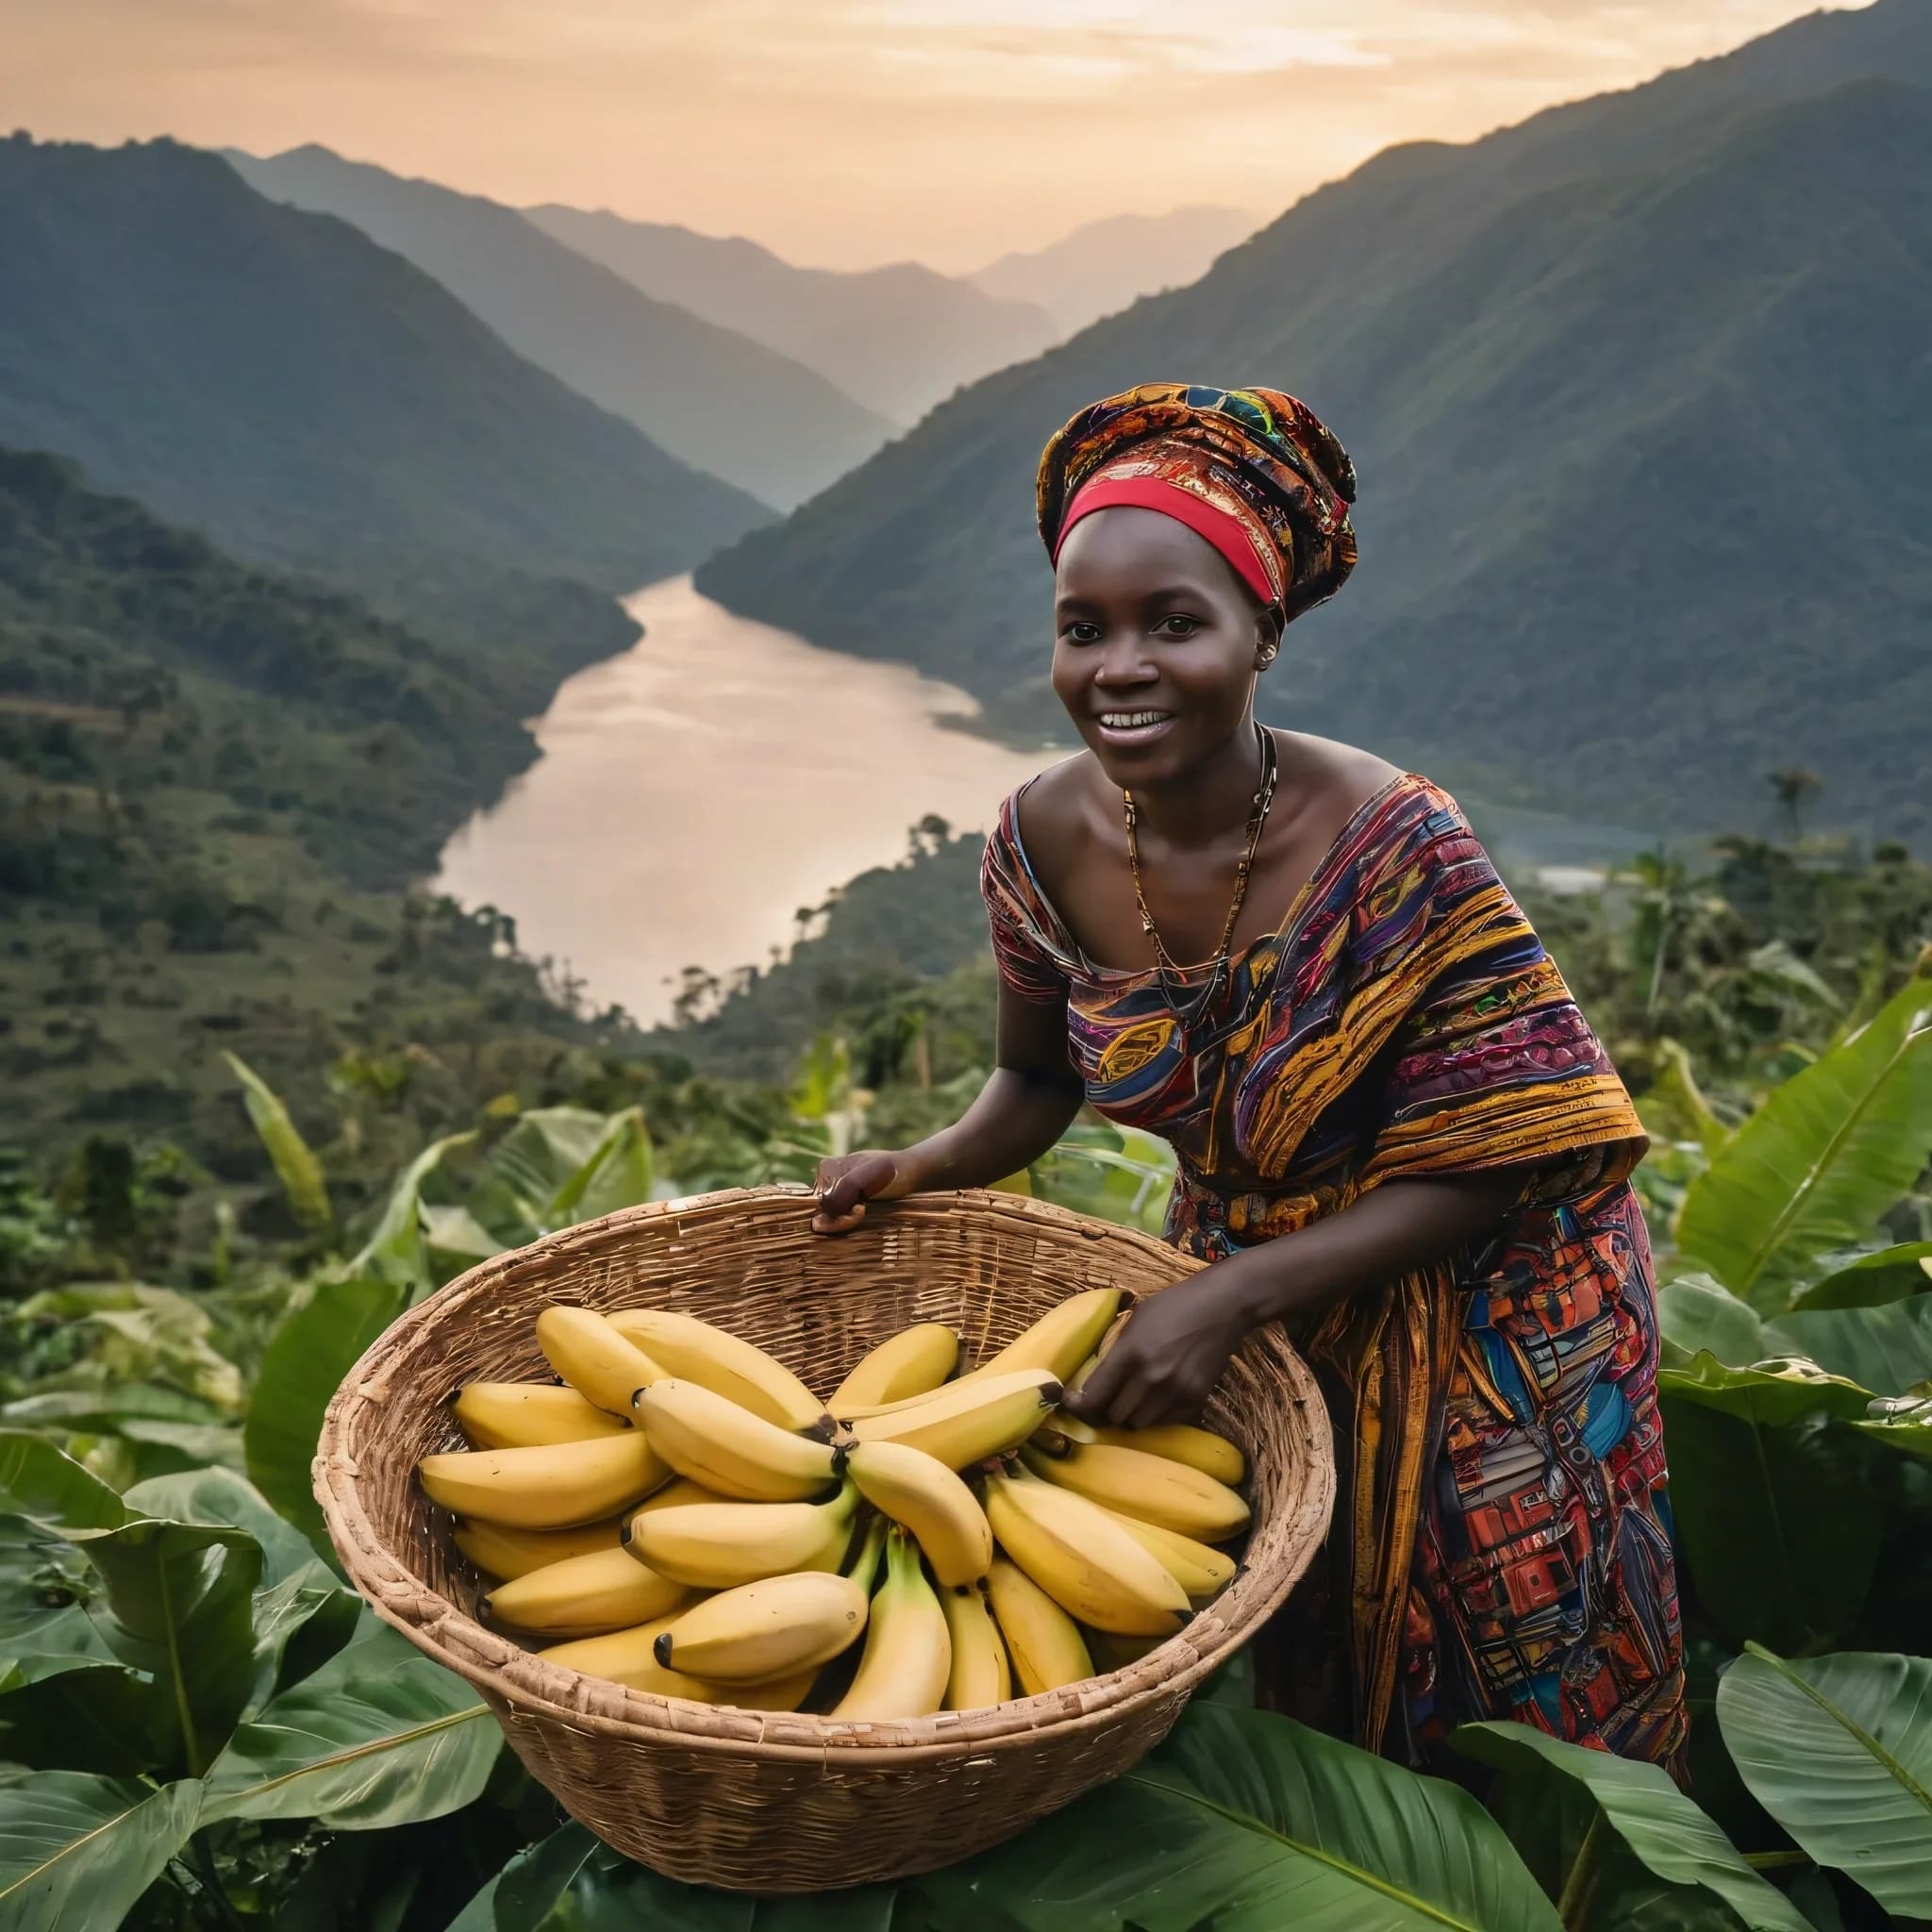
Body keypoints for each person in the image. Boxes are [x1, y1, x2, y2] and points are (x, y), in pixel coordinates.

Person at [813, 382, 1685, 1771]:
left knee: (1508, 1678)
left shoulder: (1396, 848)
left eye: (1175, 623)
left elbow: (1503, 1156)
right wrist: (918, 1165)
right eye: (1084, 629)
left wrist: (1228, 1295)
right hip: (1239, 1280)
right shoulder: (1036, 840)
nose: (1120, 668)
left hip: (1490, 1298)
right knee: (1282, 1630)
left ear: (1263, 634)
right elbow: (1034, 1084)